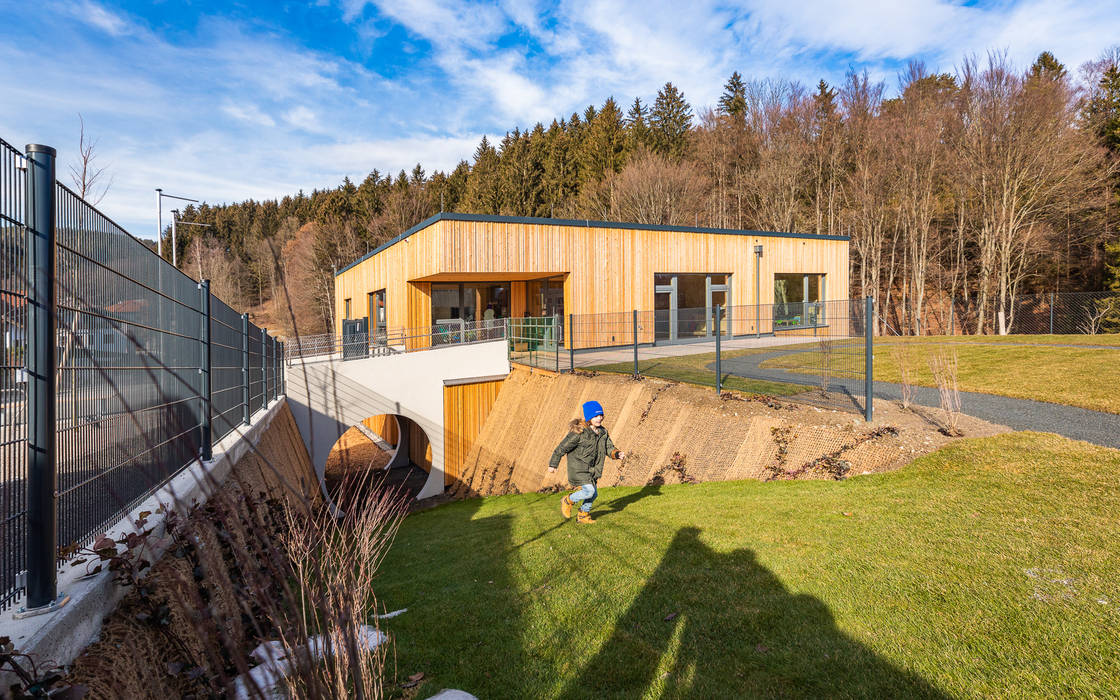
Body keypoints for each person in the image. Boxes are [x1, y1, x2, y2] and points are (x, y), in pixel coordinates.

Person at [548, 400, 626, 524]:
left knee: (593, 494)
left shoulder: (602, 432)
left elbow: (608, 447)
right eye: (595, 416)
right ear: (588, 417)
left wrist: (616, 453)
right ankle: (568, 500)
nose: (599, 418)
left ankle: (583, 515)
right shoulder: (579, 432)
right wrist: (553, 464)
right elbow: (561, 448)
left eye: (601, 415)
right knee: (589, 491)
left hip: (593, 469)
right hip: (578, 468)